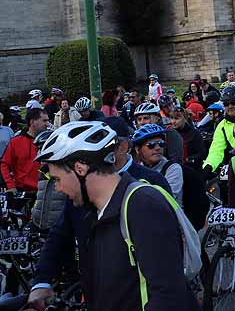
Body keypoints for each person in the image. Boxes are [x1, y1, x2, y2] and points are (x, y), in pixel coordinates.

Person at [30, 121, 198, 311]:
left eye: (58, 179)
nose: (58, 188)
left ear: (80, 169)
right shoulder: (91, 207)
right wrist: (42, 281)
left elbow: (167, 295)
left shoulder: (144, 205)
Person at [132, 123, 184, 205]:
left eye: (161, 144)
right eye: (151, 145)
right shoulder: (136, 169)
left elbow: (165, 199)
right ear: (138, 149)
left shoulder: (173, 168)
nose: (158, 148)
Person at [1, 106, 48, 192]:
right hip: (22, 191)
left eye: (48, 120)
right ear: (32, 122)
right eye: (44, 120)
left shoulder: (49, 142)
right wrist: (10, 186)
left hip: (45, 190)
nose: (47, 124)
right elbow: (4, 164)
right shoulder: (16, 142)